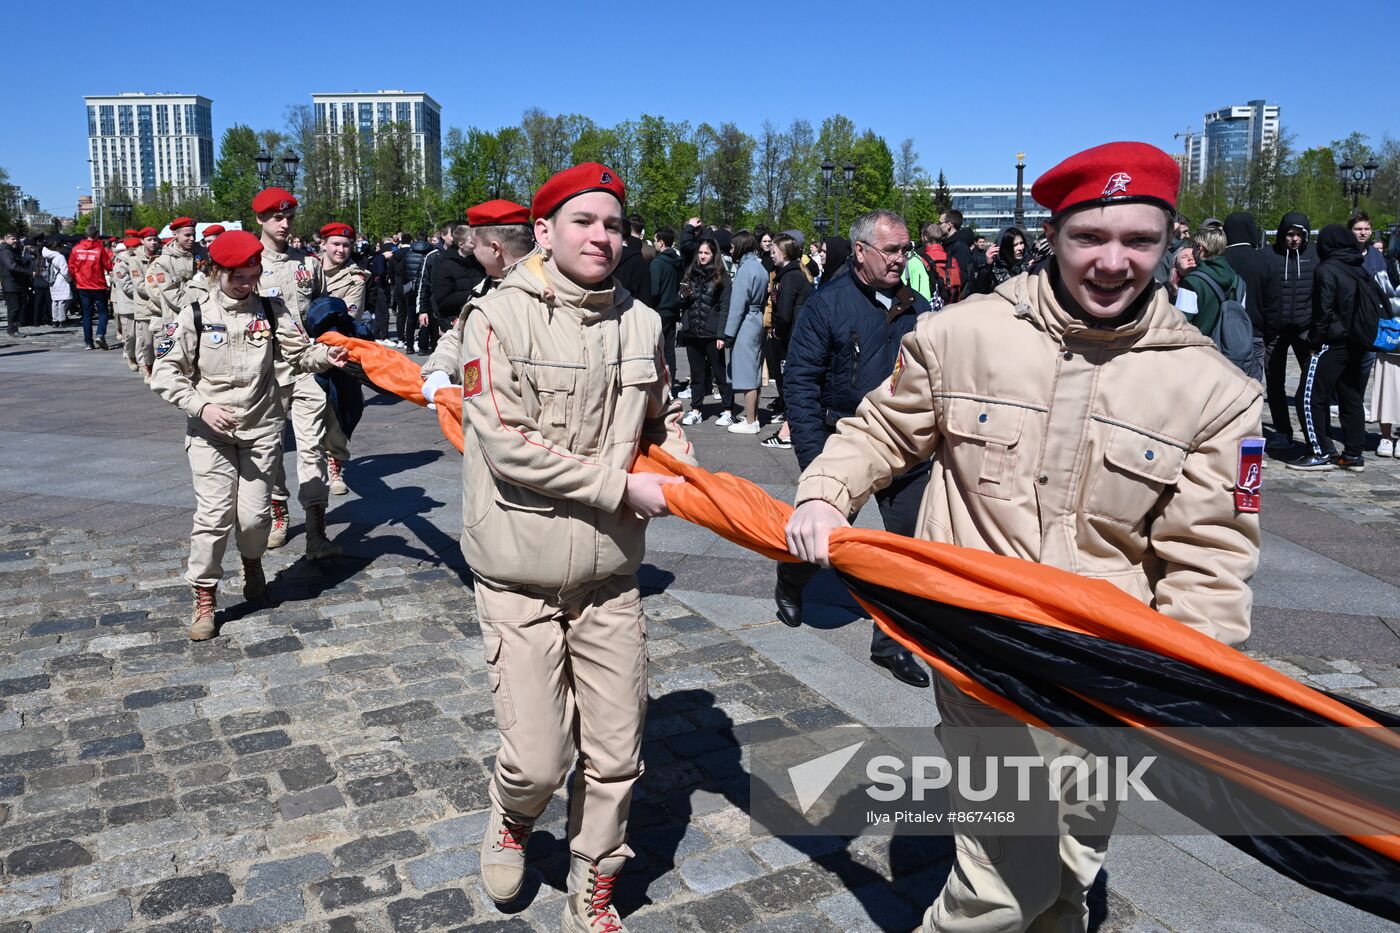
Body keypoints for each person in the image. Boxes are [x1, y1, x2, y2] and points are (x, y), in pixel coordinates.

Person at [785, 142, 1261, 932]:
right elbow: (878, 430)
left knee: (1070, 867)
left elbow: (1211, 561)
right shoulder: (962, 333)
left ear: (1169, 243)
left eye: (1138, 241)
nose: (1113, 262)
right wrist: (827, 495)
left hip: (1101, 668)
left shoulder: (1214, 390)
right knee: (1008, 874)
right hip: (979, 649)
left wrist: (1184, 689)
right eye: (1090, 239)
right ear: (1054, 236)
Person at [458, 163, 693, 932]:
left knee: (619, 753)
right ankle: (513, 814)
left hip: (609, 576)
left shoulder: (644, 323)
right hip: (518, 574)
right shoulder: (496, 318)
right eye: (584, 221)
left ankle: (593, 876)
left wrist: (689, 465)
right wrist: (621, 488)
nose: (602, 237)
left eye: (614, 225)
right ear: (545, 231)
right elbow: (506, 445)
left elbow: (659, 421)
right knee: (535, 760)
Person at [149, 230, 348, 640]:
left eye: (251, 274)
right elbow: (165, 373)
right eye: (236, 276)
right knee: (214, 516)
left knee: (254, 518)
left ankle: (253, 562)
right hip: (210, 433)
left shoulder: (273, 311)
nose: (244, 283)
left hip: (260, 429)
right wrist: (200, 406)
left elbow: (298, 355)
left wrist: (325, 356)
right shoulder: (195, 313)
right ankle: (205, 597)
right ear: (217, 271)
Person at [779, 208, 936, 688]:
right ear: (862, 251)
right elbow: (800, 383)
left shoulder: (917, 306)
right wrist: (814, 462)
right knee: (821, 540)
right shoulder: (827, 304)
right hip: (839, 442)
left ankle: (891, 643)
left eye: (905, 249)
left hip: (905, 445)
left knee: (909, 550)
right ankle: (792, 577)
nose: (901, 258)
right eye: (891, 249)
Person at [252, 187, 335, 556]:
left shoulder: (309, 264)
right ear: (260, 220)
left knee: (312, 446)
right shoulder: (250, 264)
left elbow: (322, 309)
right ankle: (279, 513)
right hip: (265, 370)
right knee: (269, 449)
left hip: (306, 367)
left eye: (289, 217)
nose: (284, 224)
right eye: (276, 218)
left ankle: (317, 531)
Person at [420, 199, 536, 403]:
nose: (472, 251)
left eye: (475, 244)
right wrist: (441, 368)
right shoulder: (489, 284)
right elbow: (461, 335)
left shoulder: (540, 287)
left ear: (495, 249)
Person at [1287, 224, 1377, 473]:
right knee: (1351, 397)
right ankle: (1353, 454)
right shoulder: (1357, 266)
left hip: (1332, 342)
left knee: (1308, 396)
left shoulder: (1327, 269)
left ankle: (1321, 451)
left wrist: (1313, 343)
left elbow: (1323, 311)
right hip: (1357, 342)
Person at [317, 222, 372, 496]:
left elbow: (347, 316)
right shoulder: (305, 269)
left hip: (340, 349)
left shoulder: (355, 278)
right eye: (335, 244)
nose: (340, 249)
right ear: (323, 244)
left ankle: (335, 461)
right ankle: (314, 461)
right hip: (303, 349)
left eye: (346, 245)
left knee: (343, 407)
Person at [1263, 212, 1317, 450]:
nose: (1294, 239)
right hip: (1276, 329)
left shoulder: (1315, 256)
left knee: (1311, 384)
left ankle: (1313, 432)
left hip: (1305, 328)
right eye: (1290, 234)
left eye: (1299, 234)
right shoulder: (1270, 256)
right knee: (1275, 383)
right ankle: (1283, 430)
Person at [761, 233, 813, 450]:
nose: (771, 255)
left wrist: (778, 333)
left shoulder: (791, 277)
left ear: (783, 252)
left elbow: (785, 313)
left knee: (790, 385)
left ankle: (788, 433)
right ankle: (789, 429)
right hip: (793, 337)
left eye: (773, 251)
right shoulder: (791, 274)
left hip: (791, 339)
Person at [677, 237, 732, 425]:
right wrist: (683, 296)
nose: (702, 256)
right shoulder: (690, 273)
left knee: (719, 373)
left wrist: (721, 334)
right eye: (700, 252)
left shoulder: (721, 275)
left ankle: (727, 408)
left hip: (712, 331)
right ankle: (696, 409)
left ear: (713, 254)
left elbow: (725, 306)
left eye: (706, 253)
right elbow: (681, 302)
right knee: (696, 374)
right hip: (693, 330)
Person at [722, 231, 768, 433]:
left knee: (747, 374)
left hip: (746, 323)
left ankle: (751, 422)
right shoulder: (759, 267)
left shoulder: (746, 270)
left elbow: (738, 305)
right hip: (756, 320)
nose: (731, 250)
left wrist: (729, 333)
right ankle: (753, 417)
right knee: (754, 371)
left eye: (733, 246)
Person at [1222, 212, 1277, 381]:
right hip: (1254, 334)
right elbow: (1273, 304)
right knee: (1251, 390)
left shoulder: (1219, 260)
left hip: (1222, 334)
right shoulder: (1265, 262)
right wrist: (1269, 334)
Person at [69, 225, 114, 349]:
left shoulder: (76, 249)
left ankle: (88, 342)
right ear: (97, 235)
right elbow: (108, 266)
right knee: (103, 312)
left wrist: (76, 280)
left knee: (87, 314)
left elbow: (71, 268)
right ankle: (100, 334)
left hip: (83, 285)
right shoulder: (99, 249)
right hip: (98, 285)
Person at [147, 217, 198, 329]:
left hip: (203, 317)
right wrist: (197, 305)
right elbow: (169, 292)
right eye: (187, 235)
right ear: (175, 234)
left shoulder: (201, 253)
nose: (192, 239)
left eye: (194, 235)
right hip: (178, 318)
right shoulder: (163, 262)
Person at [649, 227, 683, 386]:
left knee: (656, 348)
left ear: (661, 243)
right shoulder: (678, 262)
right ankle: (670, 382)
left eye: (655, 240)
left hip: (659, 310)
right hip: (673, 309)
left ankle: (660, 383)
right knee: (669, 349)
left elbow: (654, 291)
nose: (654, 243)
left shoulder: (657, 264)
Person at [131, 228, 164, 380]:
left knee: (161, 341)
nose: (153, 243)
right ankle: (147, 366)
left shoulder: (162, 257)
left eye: (155, 239)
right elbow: (139, 285)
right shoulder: (135, 260)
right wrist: (160, 293)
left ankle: (159, 369)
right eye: (149, 240)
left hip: (160, 307)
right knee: (147, 342)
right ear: (142, 241)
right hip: (144, 307)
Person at [111, 234, 144, 371]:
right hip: (128, 304)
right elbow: (126, 285)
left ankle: (142, 361)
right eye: (137, 247)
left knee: (143, 335)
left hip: (142, 303)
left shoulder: (140, 260)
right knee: (131, 335)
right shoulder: (120, 265)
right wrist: (144, 292)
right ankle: (131, 355)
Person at [970, 225, 1031, 295]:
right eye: (1015, 245)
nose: (1020, 248)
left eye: (1021, 243)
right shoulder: (994, 269)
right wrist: (987, 266)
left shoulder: (1030, 265)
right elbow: (980, 292)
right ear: (1005, 248)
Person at [39, 236, 72, 329]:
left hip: (52, 280)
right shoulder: (59, 257)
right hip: (61, 280)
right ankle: (62, 320)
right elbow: (65, 271)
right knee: (62, 301)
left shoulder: (47, 256)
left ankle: (55, 320)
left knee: (55, 301)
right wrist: (69, 279)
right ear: (57, 248)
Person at [1, 231, 29, 337]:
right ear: (6, 239)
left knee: (17, 307)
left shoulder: (12, 250)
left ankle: (14, 328)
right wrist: (29, 272)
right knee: (14, 308)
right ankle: (12, 330)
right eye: (13, 239)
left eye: (16, 238)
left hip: (15, 283)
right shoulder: (5, 251)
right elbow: (12, 266)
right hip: (10, 284)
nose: (15, 240)